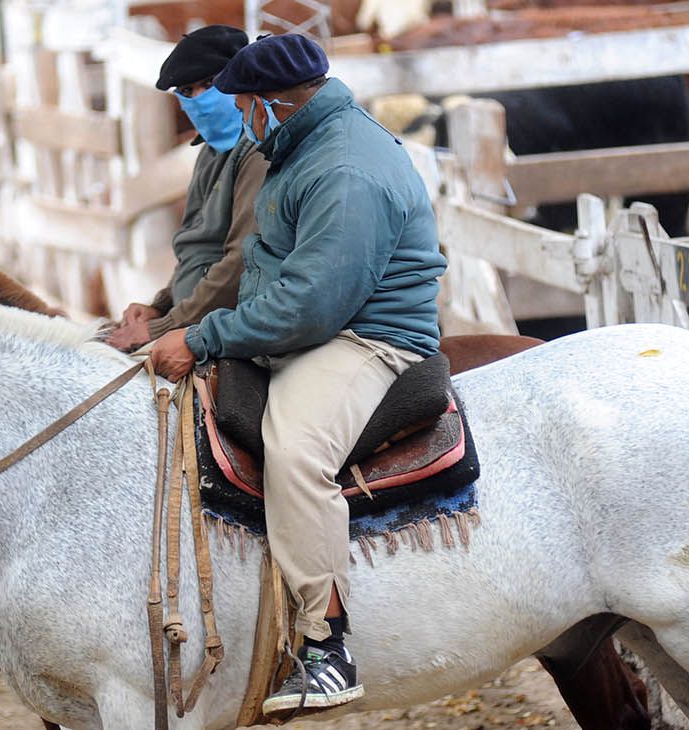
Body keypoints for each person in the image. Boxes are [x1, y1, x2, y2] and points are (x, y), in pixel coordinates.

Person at [148, 34, 448, 716]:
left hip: (369, 337)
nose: (244, 123)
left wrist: (204, 335)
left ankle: (326, 644)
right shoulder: (306, 145)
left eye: (247, 108)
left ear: (271, 103)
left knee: (296, 451)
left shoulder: (345, 169)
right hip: (327, 325)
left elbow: (314, 304)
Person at [106, 24, 268, 352]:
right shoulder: (210, 150)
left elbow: (241, 261)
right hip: (193, 316)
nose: (199, 99)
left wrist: (163, 326)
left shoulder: (258, 150)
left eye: (209, 83)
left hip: (228, 323)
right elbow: (198, 248)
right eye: (187, 90)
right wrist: (162, 304)